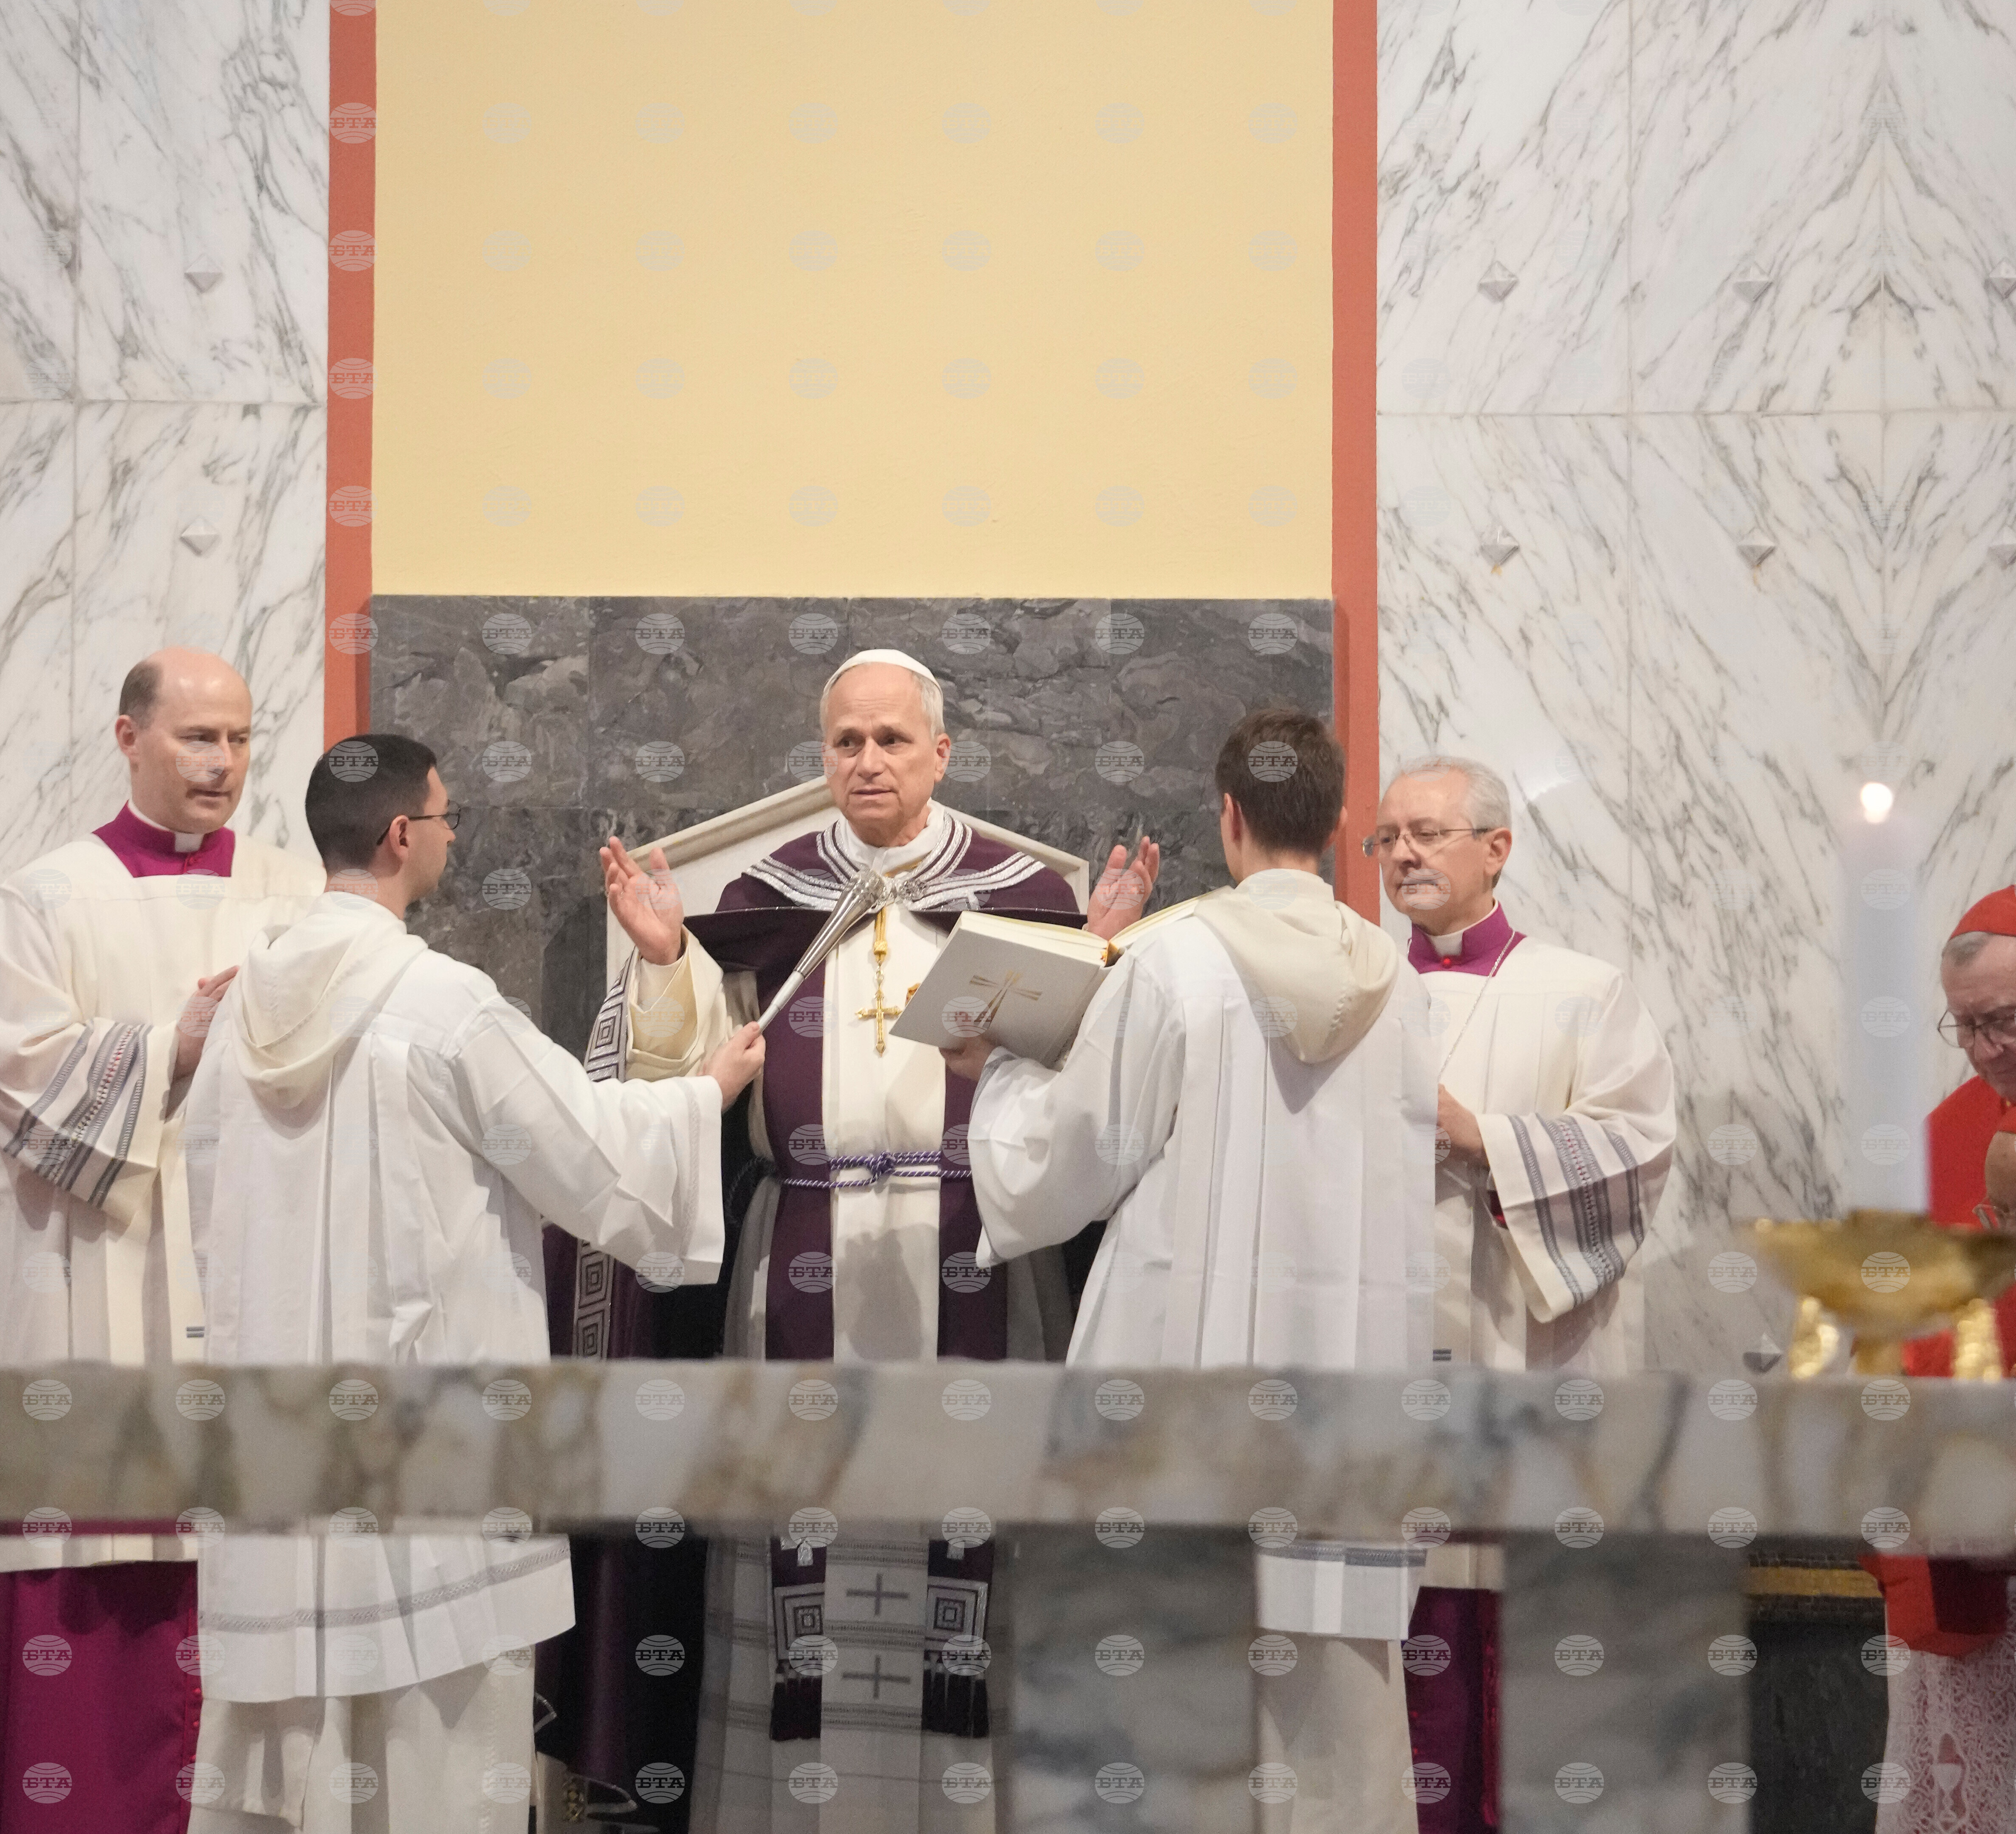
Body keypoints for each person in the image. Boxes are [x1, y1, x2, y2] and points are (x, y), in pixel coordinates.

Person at [581, 647, 1158, 1828]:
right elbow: (684, 1078)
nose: (869, 761)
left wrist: (1096, 957)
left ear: (941, 754)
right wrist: (662, 966)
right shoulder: (763, 900)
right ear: (822, 755)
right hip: (804, 1243)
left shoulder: (1018, 896)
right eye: (847, 741)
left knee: (973, 1535)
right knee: (809, 1537)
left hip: (971, 1257)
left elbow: (1078, 1095)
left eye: (894, 740)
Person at [180, 732, 761, 1834]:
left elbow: (214, 1215)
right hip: (426, 1469)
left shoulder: (239, 1012)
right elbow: (596, 1159)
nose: (448, 839)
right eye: (444, 821)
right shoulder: (444, 1008)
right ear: (405, 835)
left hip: (277, 1454)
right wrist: (702, 1096)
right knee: (429, 1760)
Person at [959, 706, 1437, 1834]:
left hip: (1183, 1400)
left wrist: (1003, 1073)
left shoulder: (1177, 961)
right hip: (1344, 1409)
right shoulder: (1397, 984)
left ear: (1227, 816)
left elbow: (1071, 1163)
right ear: (1335, 825)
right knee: (1330, 1709)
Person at [0, 646, 320, 1834]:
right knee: (102, 1606)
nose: (224, 763)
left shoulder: (294, 890)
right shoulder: (44, 896)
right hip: (98, 1298)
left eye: (239, 739)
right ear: (129, 739)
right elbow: (10, 1077)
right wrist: (175, 1043)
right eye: (196, 739)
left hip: (257, 1295)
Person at [1369, 753, 1677, 1834]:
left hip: (1526, 1359)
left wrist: (1483, 1140)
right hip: (1387, 1370)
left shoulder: (1580, 990)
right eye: (1385, 837)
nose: (1401, 853)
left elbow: (1637, 1149)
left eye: (1427, 832)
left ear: (1495, 849)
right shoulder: (1356, 992)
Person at [1865, 889, 2016, 1834]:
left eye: (2005, 1020)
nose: (1982, 1049)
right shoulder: (1940, 1133)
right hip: (1962, 1543)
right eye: (1964, 1026)